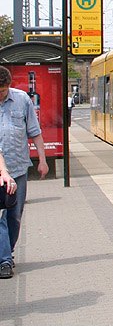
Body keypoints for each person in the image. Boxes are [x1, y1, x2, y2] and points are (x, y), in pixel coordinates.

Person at [0, 65, 49, 279]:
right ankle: (5, 260)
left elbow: (35, 132)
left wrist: (43, 160)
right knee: (0, 217)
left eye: (2, 90)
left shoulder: (21, 100)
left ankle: (6, 251)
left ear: (8, 86)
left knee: (15, 216)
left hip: (18, 168)